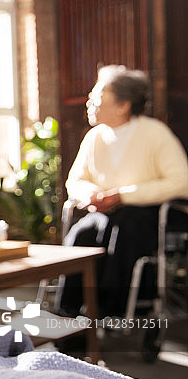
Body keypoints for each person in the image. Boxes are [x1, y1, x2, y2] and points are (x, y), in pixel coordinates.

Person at [58, 65, 188, 318]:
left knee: (124, 228)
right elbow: (75, 180)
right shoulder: (94, 138)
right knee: (82, 233)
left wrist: (123, 195)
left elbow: (181, 181)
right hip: (107, 211)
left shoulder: (155, 133)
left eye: (97, 97)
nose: (89, 103)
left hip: (149, 212)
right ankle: (67, 315)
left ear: (123, 105)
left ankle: (111, 312)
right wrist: (93, 194)